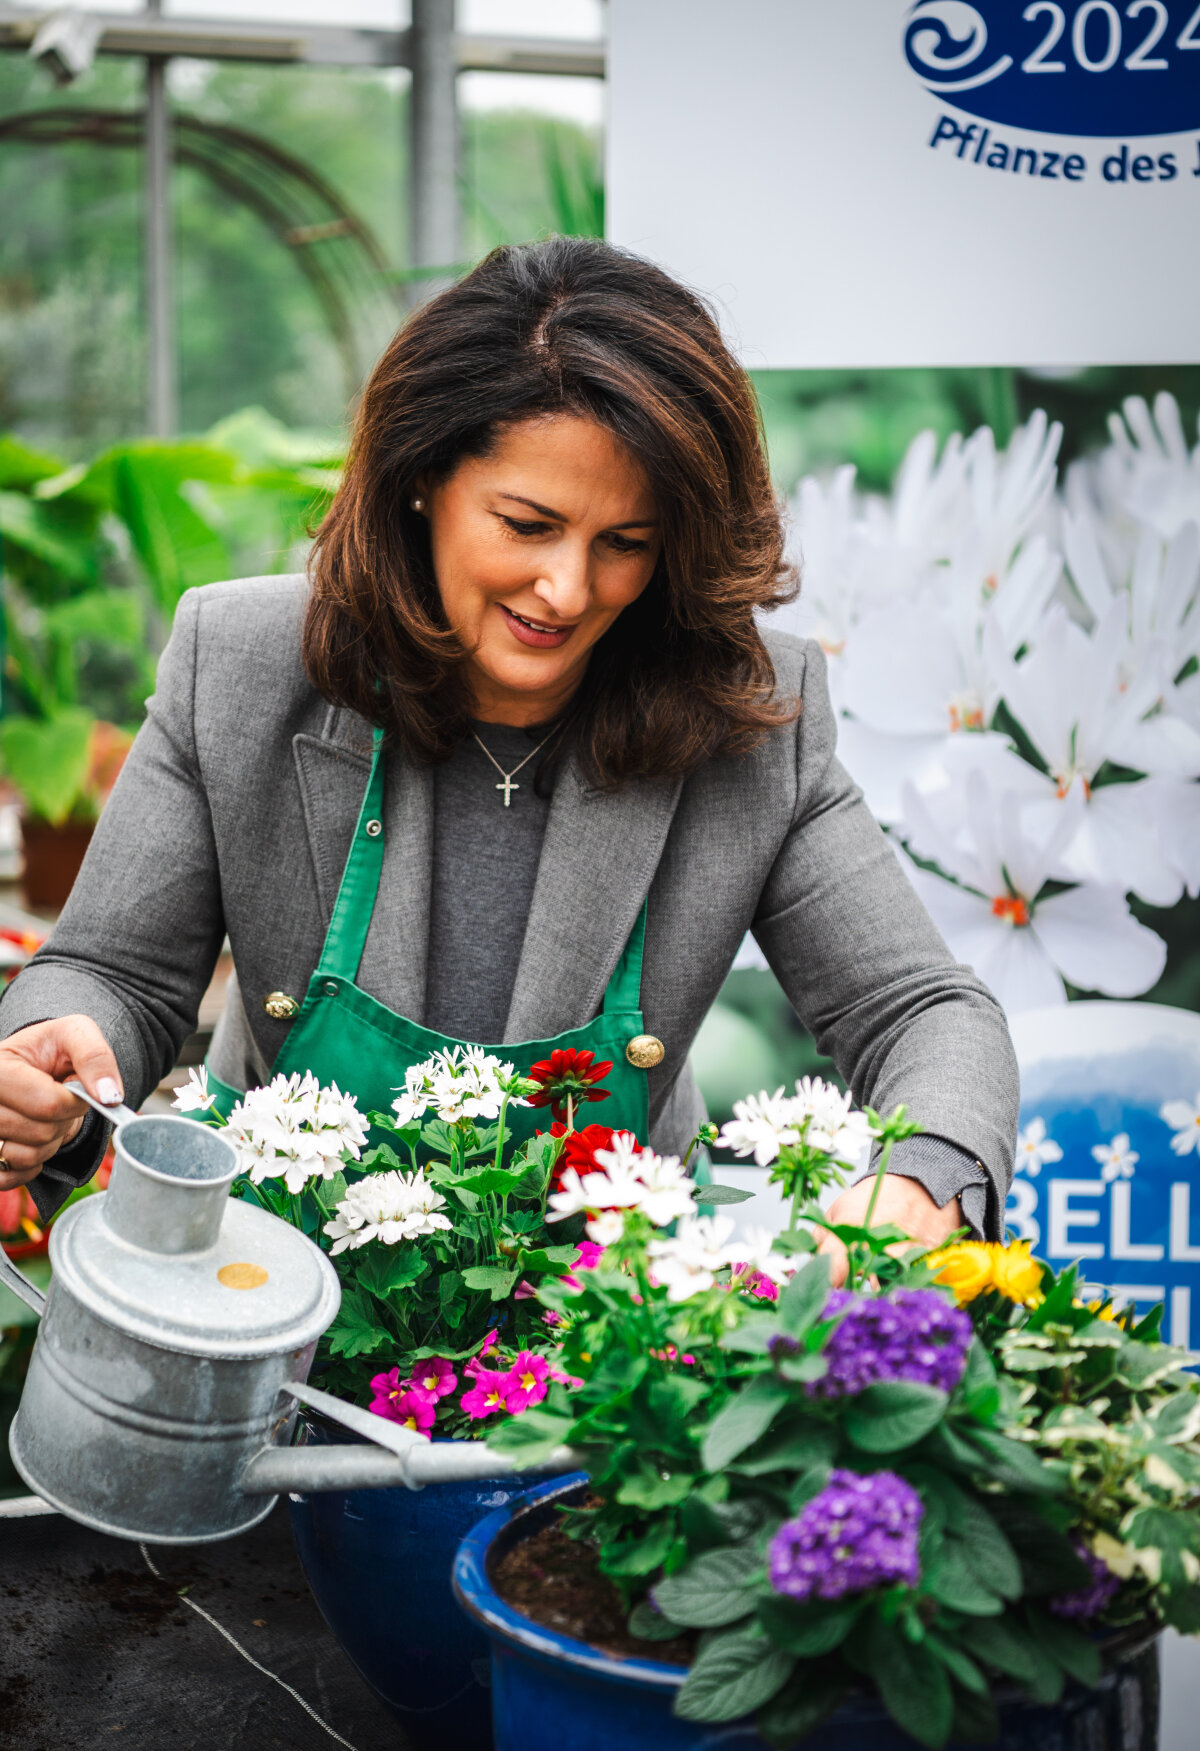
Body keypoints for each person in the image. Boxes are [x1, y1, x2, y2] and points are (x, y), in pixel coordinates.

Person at [0, 238, 1017, 1277]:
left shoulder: (744, 716)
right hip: (271, 1287)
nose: (567, 590)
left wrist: (924, 1178)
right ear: (421, 481)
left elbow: (924, 1013)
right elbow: (111, 972)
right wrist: (52, 1055)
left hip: (619, 1323)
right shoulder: (248, 666)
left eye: (626, 542)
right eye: (527, 525)